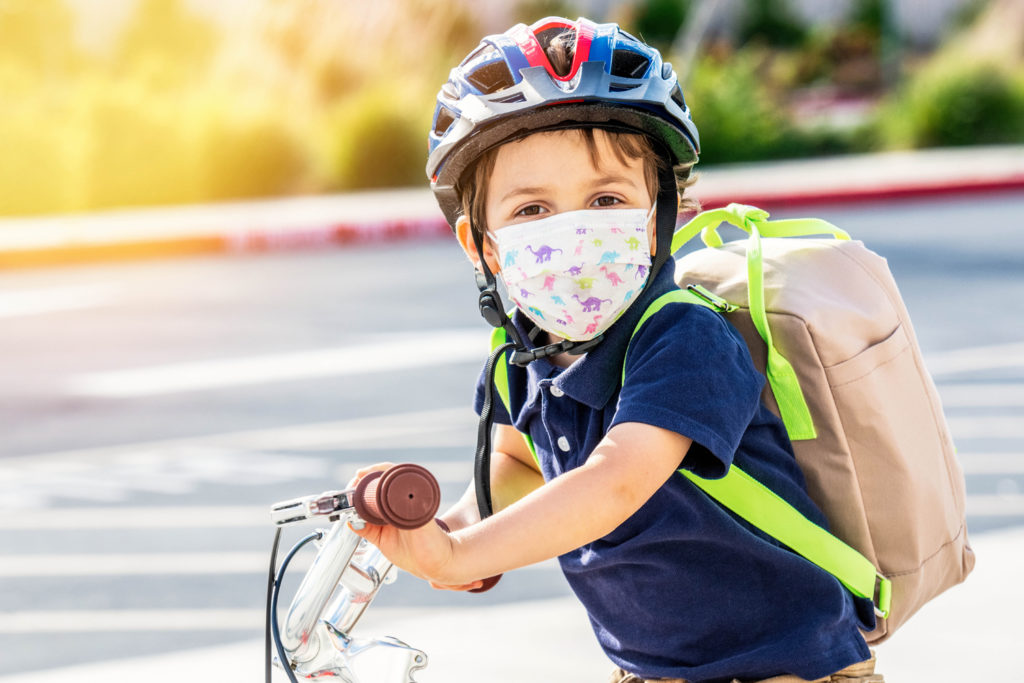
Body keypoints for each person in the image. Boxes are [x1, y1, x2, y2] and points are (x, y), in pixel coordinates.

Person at [351, 16, 882, 683]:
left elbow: (618, 478)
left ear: (667, 215)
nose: (574, 231)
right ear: (481, 244)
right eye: (532, 211)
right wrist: (456, 529)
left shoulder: (682, 335)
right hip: (650, 671)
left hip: (786, 668)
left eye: (605, 199)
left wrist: (456, 554)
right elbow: (521, 458)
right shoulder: (522, 359)